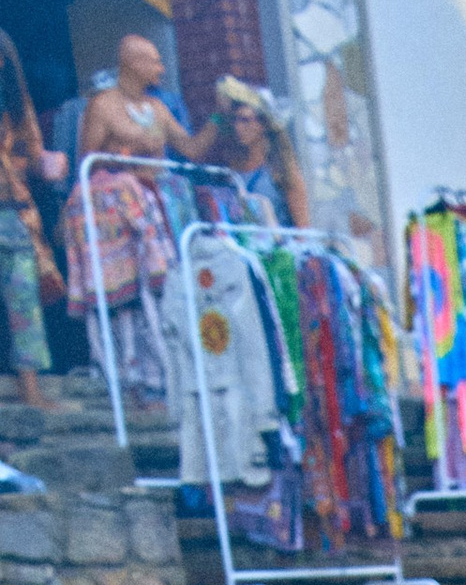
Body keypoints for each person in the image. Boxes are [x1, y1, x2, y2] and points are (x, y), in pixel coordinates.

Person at [0, 27, 66, 414]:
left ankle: (31, 391)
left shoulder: (15, 105)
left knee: (24, 302)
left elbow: (33, 155)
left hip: (12, 212)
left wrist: (47, 165)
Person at [79, 33, 213, 169]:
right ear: (135, 64)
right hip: (120, 186)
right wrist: (130, 153)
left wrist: (219, 117)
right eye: (156, 62)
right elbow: (87, 163)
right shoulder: (103, 105)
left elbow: (192, 150)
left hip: (160, 186)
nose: (162, 69)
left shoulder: (157, 107)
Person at [206, 79, 309, 228]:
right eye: (235, 120)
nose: (238, 127)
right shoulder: (234, 167)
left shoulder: (282, 169)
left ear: (264, 124)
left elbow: (303, 228)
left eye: (246, 120)